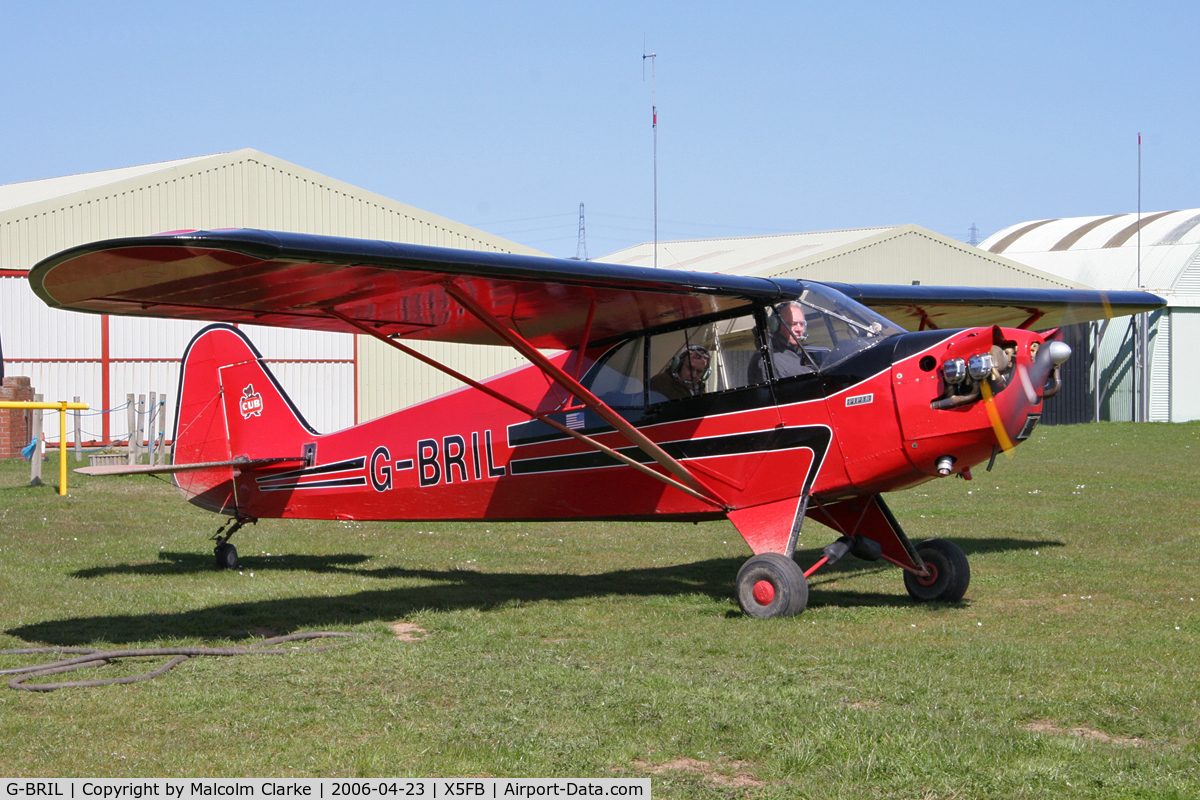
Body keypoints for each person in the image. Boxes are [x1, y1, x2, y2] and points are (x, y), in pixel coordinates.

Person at [749, 301, 815, 382]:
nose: (799, 329)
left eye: (801, 324)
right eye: (792, 323)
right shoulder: (768, 360)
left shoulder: (799, 356)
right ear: (775, 325)